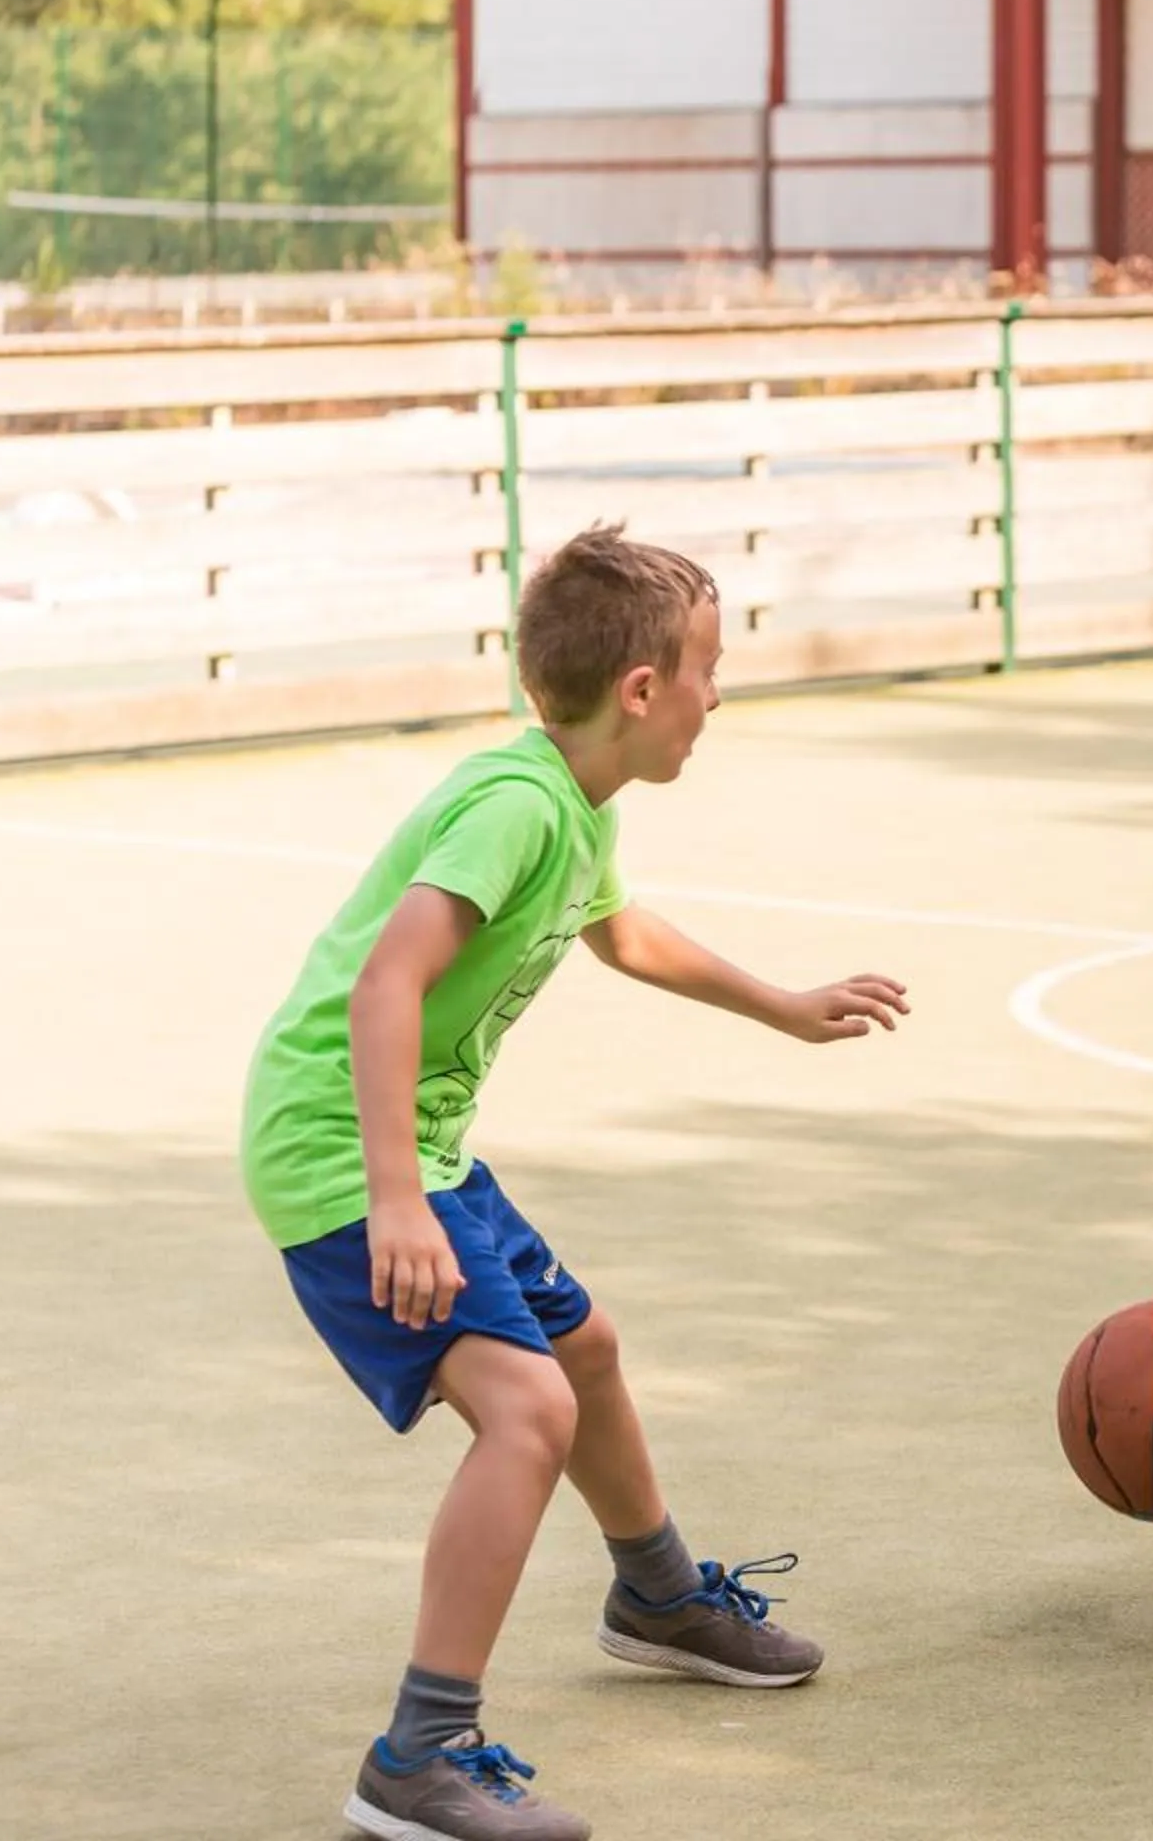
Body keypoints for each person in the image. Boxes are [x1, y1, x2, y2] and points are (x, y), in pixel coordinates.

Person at [239, 525, 910, 1841]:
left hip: (421, 1144)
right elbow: (386, 983)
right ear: (643, 689)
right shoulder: (516, 805)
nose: (719, 695)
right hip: (341, 1149)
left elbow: (623, 932)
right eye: (709, 669)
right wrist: (395, 1199)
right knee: (529, 1410)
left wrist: (783, 1004)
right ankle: (418, 1755)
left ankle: (656, 1594)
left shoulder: (577, 798)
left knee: (583, 1348)